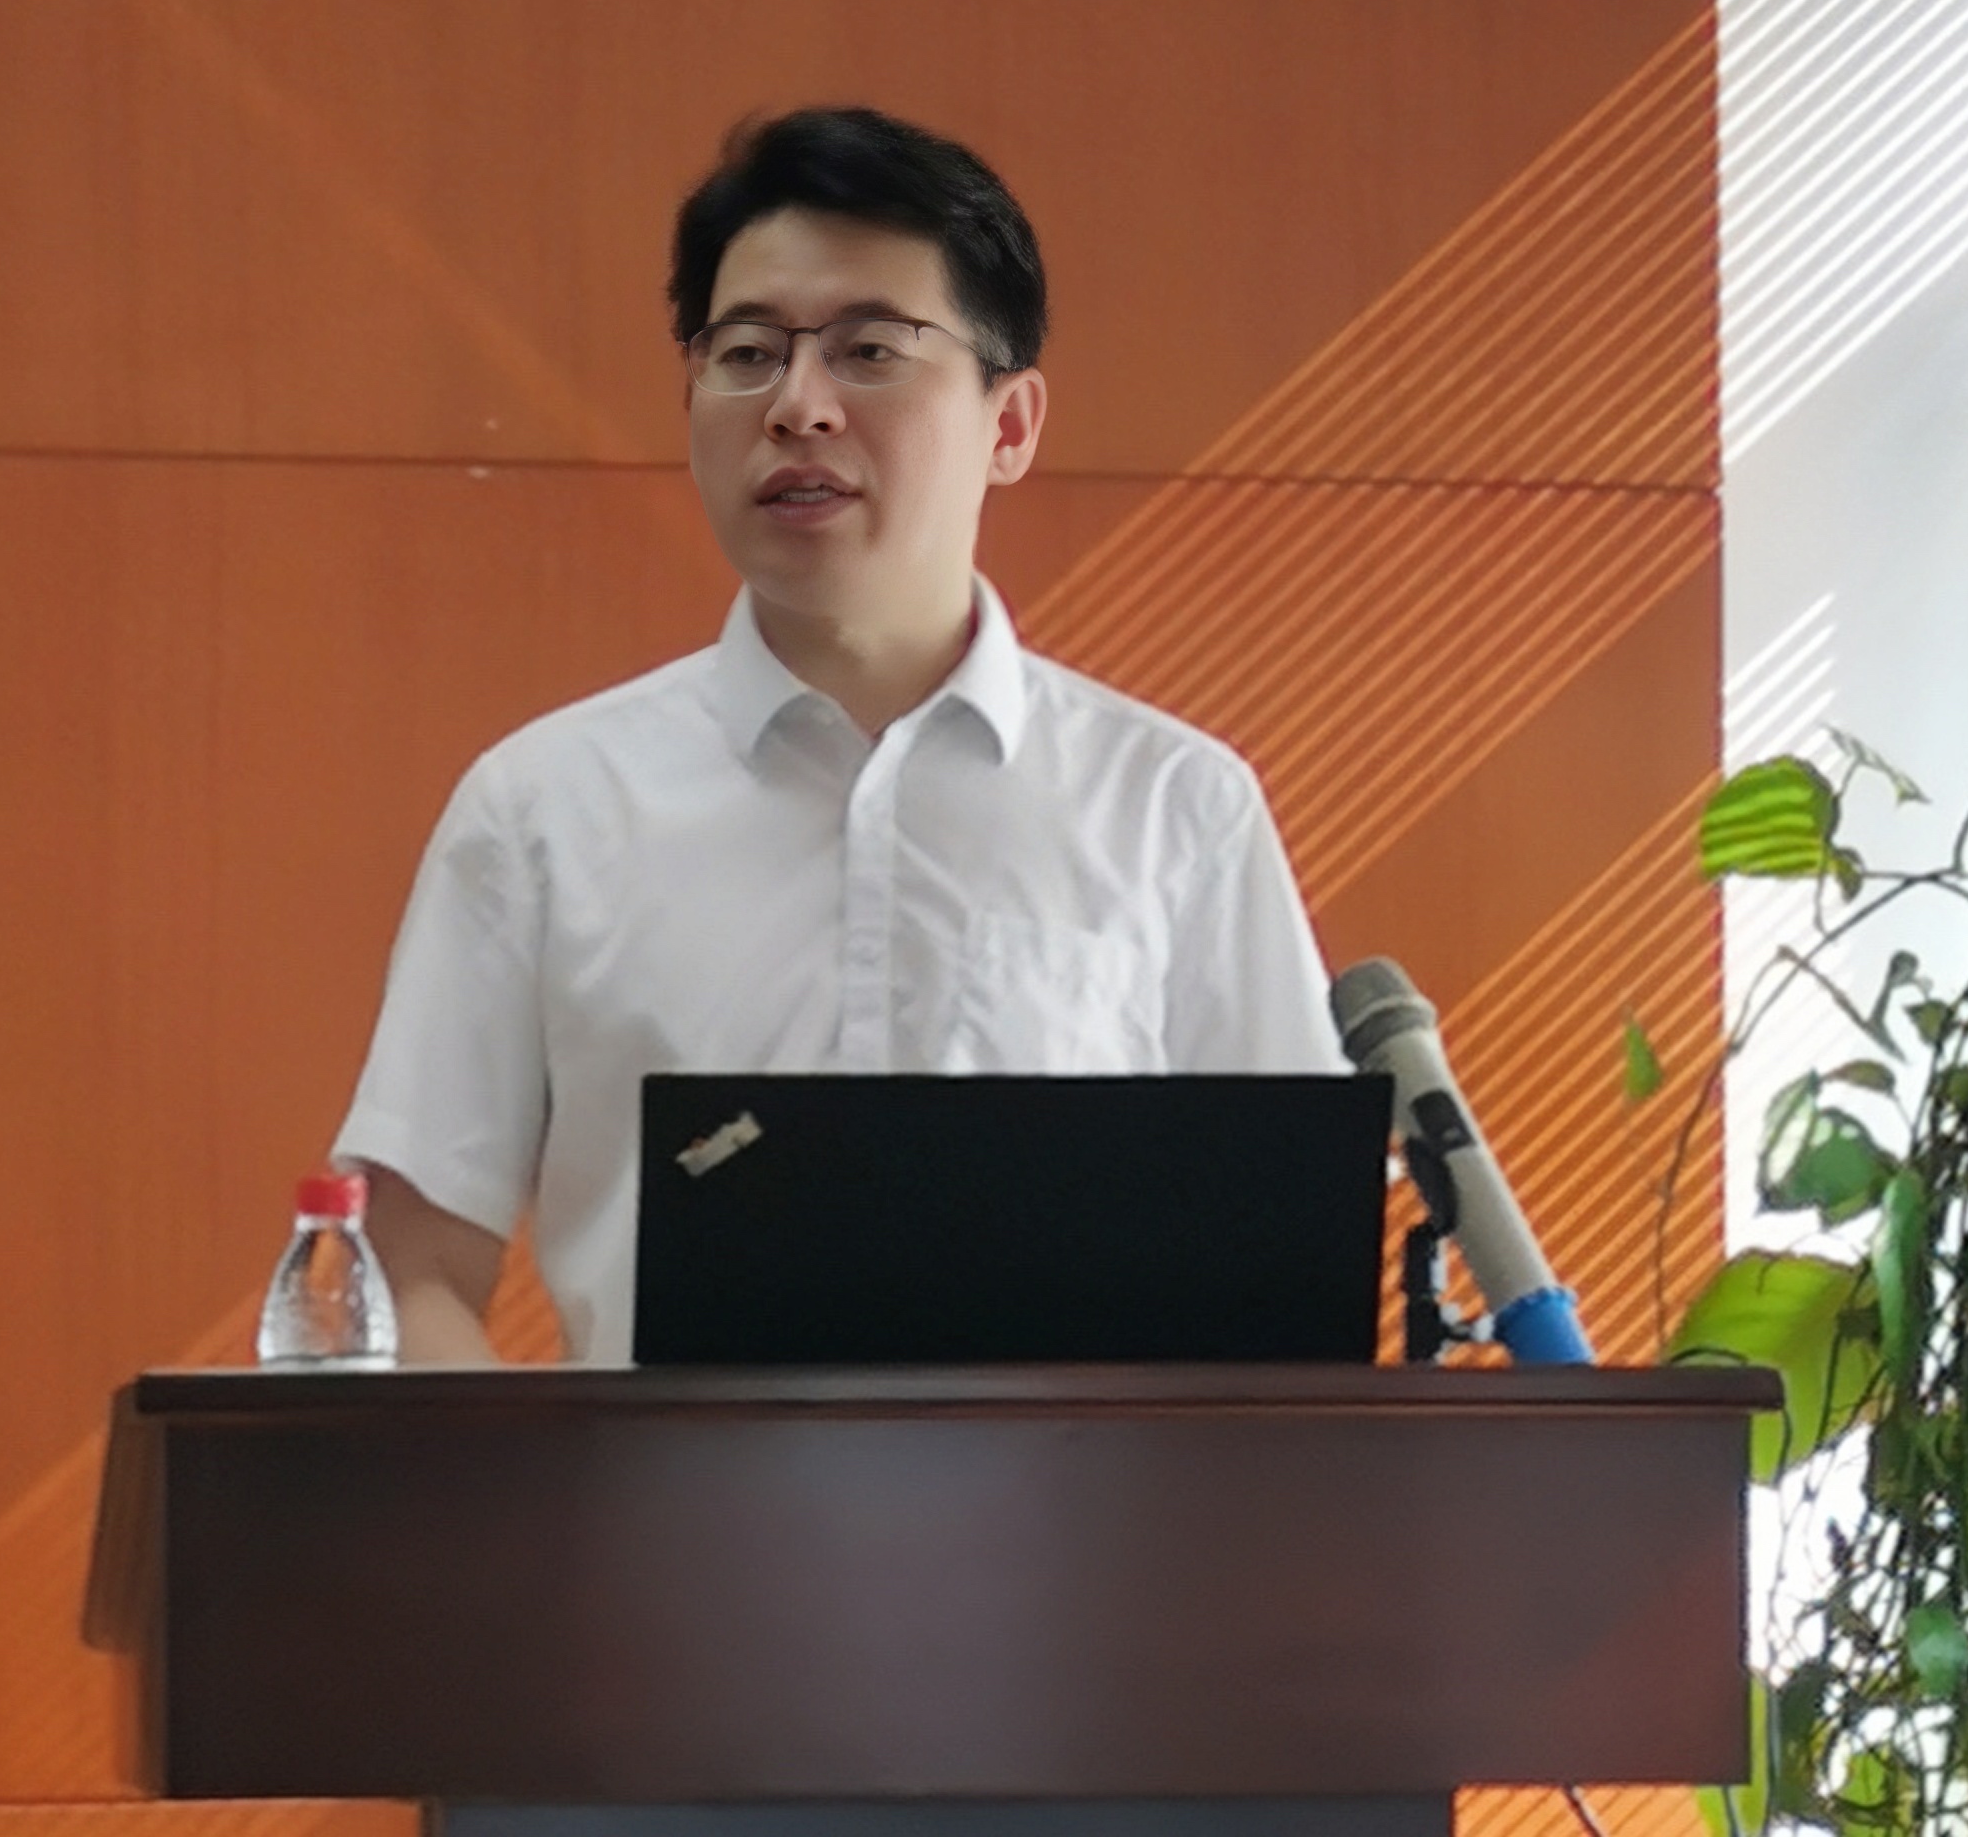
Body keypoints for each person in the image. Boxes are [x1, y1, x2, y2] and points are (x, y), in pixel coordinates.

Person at [332, 107, 1347, 1363]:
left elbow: (1277, 1280)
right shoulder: (545, 806)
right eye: (747, 353)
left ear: (1010, 424)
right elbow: (412, 1269)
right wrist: (540, 1494)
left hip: (1063, 1498)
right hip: (660, 1496)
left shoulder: (1174, 808)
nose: (797, 406)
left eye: (870, 351)